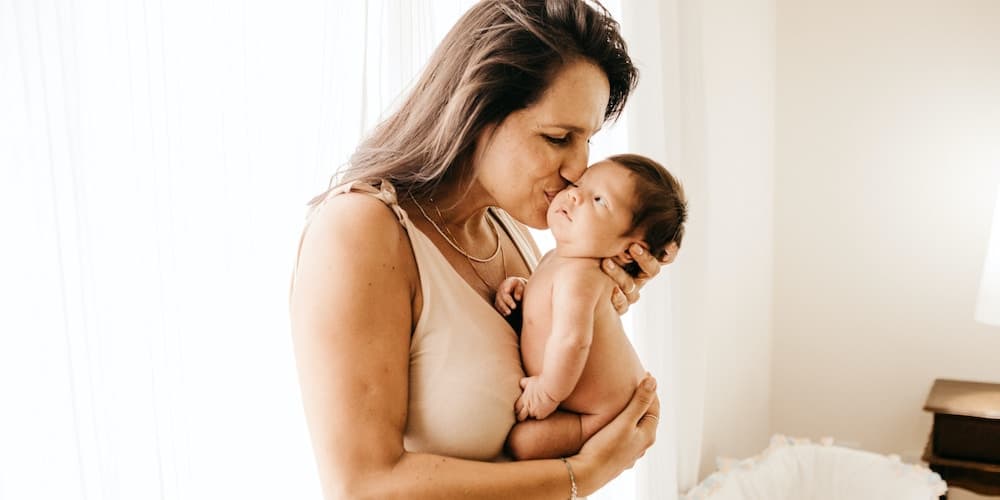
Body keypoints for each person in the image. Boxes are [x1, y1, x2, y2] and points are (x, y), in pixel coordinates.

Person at [288, 1, 677, 498]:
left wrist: (604, 294)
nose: (579, 170)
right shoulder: (360, 231)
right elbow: (362, 485)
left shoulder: (508, 233)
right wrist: (585, 474)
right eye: (558, 137)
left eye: (588, 141)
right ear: (477, 110)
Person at [494, 154, 686, 461]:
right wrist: (523, 291)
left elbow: (572, 340)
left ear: (629, 251)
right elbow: (549, 309)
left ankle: (585, 431)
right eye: (580, 184)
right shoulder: (558, 259)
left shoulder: (583, 277)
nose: (574, 193)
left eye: (598, 200)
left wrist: (546, 392)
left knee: (523, 443)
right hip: (592, 397)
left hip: (604, 412)